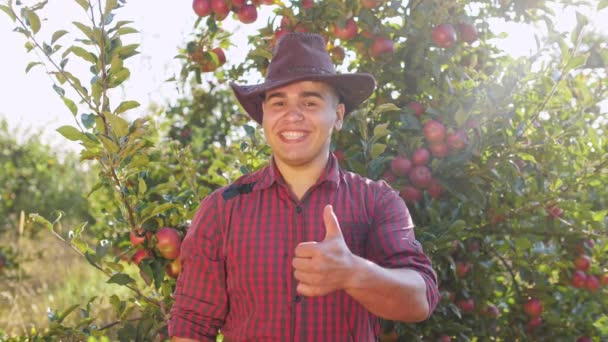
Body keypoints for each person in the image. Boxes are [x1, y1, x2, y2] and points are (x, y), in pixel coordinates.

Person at [169, 32, 439, 342]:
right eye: (278, 102)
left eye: (310, 102)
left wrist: (353, 273)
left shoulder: (376, 201)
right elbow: (192, 325)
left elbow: (420, 300)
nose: (292, 115)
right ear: (264, 116)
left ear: (337, 116)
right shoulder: (222, 209)